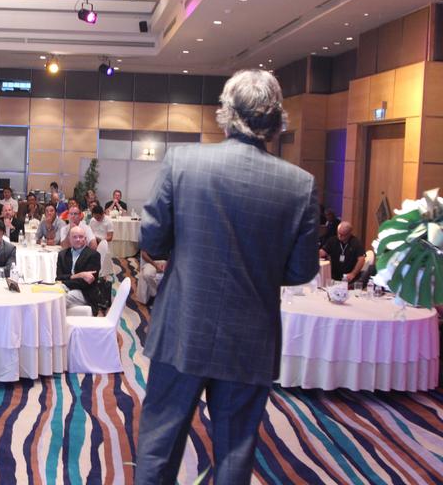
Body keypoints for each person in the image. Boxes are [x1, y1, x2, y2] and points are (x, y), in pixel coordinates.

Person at [135, 69, 320, 485]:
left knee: (159, 446)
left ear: (226, 113)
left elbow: (152, 240)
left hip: (183, 329)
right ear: (276, 120)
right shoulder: (300, 185)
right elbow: (301, 270)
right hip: (251, 339)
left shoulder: (184, 161)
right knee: (236, 452)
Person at [55, 226, 101, 310]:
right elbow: (58, 277)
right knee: (52, 293)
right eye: (74, 237)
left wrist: (65, 281)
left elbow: (86, 282)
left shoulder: (93, 255)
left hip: (85, 292)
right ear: (69, 239)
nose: (78, 239)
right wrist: (79, 275)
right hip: (66, 286)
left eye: (81, 237)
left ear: (85, 239)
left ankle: (54, 319)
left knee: (62, 298)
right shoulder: (62, 255)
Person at [319, 221, 366, 285]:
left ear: (349, 233)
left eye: (343, 235)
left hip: (349, 278)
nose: (339, 236)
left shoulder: (356, 243)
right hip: (334, 277)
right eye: (338, 233)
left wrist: (353, 274)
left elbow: (361, 260)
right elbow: (322, 252)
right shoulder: (333, 240)